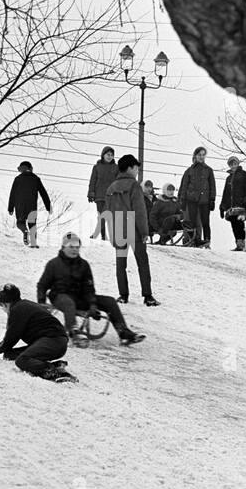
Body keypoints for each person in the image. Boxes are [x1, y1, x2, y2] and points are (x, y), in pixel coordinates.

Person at [37, 233, 145, 347]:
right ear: (63, 247)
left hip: (79, 297)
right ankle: (73, 331)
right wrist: (41, 302)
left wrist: (92, 304)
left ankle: (123, 331)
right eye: (71, 247)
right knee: (68, 302)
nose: (74, 250)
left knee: (110, 301)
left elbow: (88, 288)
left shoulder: (83, 265)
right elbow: (42, 285)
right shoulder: (54, 264)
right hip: (60, 296)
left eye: (77, 247)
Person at [0, 283, 75, 381]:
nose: (2, 308)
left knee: (22, 360)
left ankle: (56, 373)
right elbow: (9, 344)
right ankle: (55, 366)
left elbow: (8, 342)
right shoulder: (23, 305)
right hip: (54, 341)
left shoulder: (17, 310)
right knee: (9, 355)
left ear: (6, 303)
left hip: (53, 341)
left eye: (0, 304)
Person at [105, 154, 159, 306]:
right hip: (133, 229)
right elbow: (140, 211)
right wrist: (144, 232)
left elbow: (107, 212)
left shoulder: (111, 188)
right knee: (142, 262)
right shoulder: (134, 186)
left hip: (118, 229)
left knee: (121, 264)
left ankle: (123, 295)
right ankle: (147, 296)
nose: (136, 172)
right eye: (136, 168)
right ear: (129, 168)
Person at [178, 146, 217, 248]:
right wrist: (182, 200)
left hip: (205, 200)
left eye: (203, 155)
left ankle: (207, 241)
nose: (201, 157)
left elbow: (212, 186)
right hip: (192, 199)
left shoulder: (208, 170)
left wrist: (212, 199)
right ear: (195, 156)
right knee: (192, 222)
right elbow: (184, 186)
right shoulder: (189, 171)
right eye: (199, 154)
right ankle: (194, 240)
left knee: (205, 222)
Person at [8, 160, 52, 248]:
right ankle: (33, 243)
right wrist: (48, 206)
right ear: (30, 168)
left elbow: (12, 194)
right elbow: (43, 193)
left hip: (20, 205)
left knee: (20, 222)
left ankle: (24, 231)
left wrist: (10, 207)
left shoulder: (18, 179)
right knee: (32, 224)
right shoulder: (36, 179)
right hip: (32, 205)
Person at [220, 155, 246, 252]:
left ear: (238, 164)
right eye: (231, 164)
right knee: (234, 224)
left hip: (241, 205)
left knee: (240, 224)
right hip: (231, 207)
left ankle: (243, 245)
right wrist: (222, 207)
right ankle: (238, 244)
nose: (233, 166)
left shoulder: (244, 175)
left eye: (235, 163)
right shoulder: (228, 179)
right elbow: (225, 193)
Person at [87, 146, 118, 241]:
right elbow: (93, 180)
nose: (110, 157)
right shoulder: (97, 167)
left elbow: (119, 181)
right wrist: (91, 193)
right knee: (101, 215)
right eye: (108, 154)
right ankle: (103, 236)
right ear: (103, 155)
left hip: (111, 196)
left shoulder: (116, 168)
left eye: (112, 155)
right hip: (99, 195)